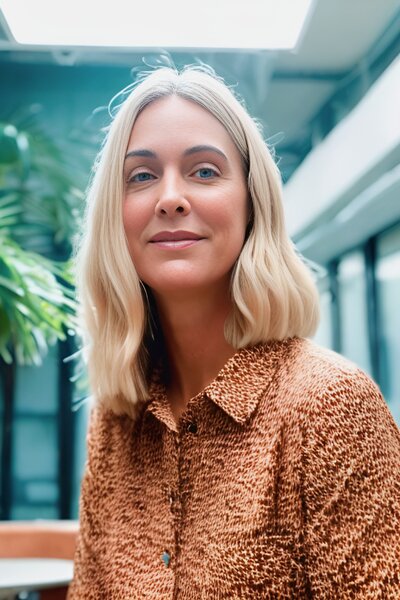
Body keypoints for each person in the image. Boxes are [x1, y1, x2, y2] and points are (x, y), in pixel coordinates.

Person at [68, 66, 400, 599]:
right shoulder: (116, 417)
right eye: (141, 176)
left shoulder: (330, 407)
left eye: (203, 172)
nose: (170, 198)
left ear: (251, 206)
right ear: (116, 216)